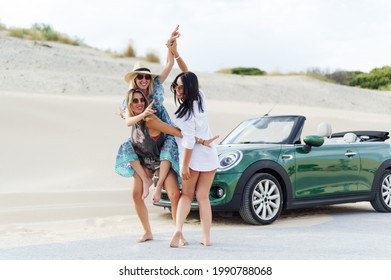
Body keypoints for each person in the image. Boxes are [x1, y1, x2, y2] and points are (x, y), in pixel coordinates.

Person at [122, 88, 216, 243]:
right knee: (135, 194)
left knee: (175, 194)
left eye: (141, 100)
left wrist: (201, 141)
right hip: (144, 161)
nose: (139, 103)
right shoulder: (131, 117)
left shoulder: (151, 119)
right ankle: (147, 232)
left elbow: (180, 133)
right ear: (129, 104)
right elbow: (127, 119)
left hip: (163, 160)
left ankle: (178, 233)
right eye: (135, 101)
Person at [115, 25, 188, 201]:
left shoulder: (154, 87)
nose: (143, 80)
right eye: (139, 77)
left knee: (173, 140)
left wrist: (171, 44)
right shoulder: (129, 99)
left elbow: (169, 64)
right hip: (144, 136)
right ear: (134, 79)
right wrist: (144, 114)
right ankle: (147, 180)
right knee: (126, 146)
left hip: (162, 127)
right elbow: (128, 121)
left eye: (147, 77)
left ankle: (159, 184)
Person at [169, 71, 219, 248]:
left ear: (189, 87)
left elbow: (188, 141)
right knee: (203, 197)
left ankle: (178, 230)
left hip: (193, 157)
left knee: (187, 195)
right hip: (209, 155)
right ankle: (206, 238)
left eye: (181, 86)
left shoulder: (182, 115)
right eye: (175, 86)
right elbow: (190, 75)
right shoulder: (201, 101)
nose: (177, 89)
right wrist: (177, 56)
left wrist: (184, 166)